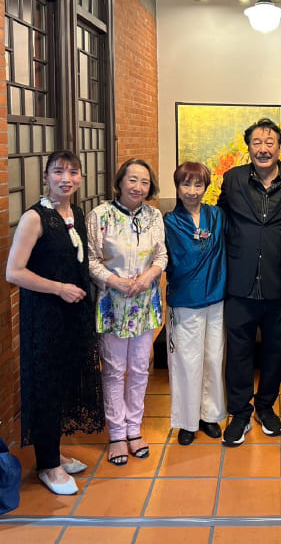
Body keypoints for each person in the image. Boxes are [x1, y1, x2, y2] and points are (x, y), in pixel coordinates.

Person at [6, 150, 104, 495]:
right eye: (59, 172)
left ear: (81, 178)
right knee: (46, 386)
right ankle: (48, 466)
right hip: (45, 317)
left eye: (73, 172)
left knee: (63, 384)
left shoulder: (75, 213)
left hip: (73, 315)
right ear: (46, 176)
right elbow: (14, 272)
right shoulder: (35, 218)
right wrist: (59, 288)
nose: (66, 179)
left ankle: (53, 452)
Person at [217, 118, 281, 446]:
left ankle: (266, 407)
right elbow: (220, 219)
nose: (263, 148)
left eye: (270, 142)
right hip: (240, 282)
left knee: (274, 352)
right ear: (248, 147)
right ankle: (240, 413)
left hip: (280, 282)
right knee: (238, 352)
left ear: (280, 147)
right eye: (257, 142)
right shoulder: (233, 179)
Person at [87, 158, 167, 465]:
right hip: (112, 304)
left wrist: (148, 277)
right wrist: (116, 281)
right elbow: (91, 260)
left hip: (144, 304)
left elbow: (161, 256)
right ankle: (117, 434)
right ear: (119, 182)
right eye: (132, 180)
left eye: (145, 182)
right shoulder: (100, 215)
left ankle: (134, 429)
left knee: (139, 369)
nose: (138, 187)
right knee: (113, 370)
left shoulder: (154, 216)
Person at [164, 161, 227, 445]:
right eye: (186, 184)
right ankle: (187, 422)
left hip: (216, 297)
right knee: (186, 361)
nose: (192, 191)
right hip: (185, 300)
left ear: (206, 187)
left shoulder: (217, 216)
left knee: (213, 358)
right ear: (177, 187)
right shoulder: (169, 221)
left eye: (198, 184)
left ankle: (209, 416)